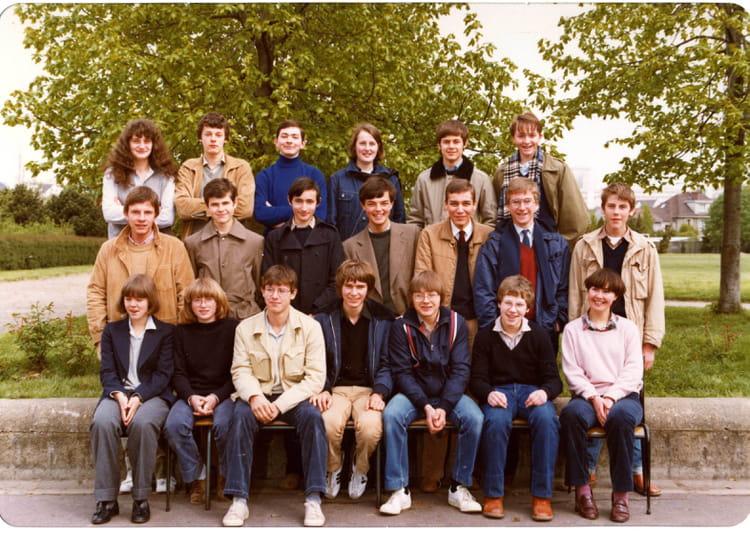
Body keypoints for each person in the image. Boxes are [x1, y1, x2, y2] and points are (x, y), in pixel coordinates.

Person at [569, 182, 665, 497]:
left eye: (623, 207)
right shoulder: (585, 246)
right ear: (603, 208)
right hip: (592, 333)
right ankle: (589, 468)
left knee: (628, 404)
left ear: (631, 211)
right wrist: (574, 332)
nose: (616, 212)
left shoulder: (644, 248)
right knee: (591, 398)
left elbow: (655, 298)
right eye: (611, 206)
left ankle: (636, 472)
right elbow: (575, 293)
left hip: (628, 336)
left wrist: (649, 343)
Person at [221, 265, 328, 528]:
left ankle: (313, 499)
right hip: (258, 394)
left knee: (314, 419)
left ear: (293, 293)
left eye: (282, 290)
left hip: (293, 397)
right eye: (270, 290)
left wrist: (279, 406)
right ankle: (238, 500)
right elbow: (240, 370)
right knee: (239, 418)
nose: (275, 296)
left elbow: (315, 377)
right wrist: (254, 397)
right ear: (262, 292)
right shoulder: (245, 328)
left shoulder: (310, 327)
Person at [379, 271, 483, 516]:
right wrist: (426, 406)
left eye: (432, 295)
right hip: (413, 394)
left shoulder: (456, 323)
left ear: (441, 297)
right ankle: (399, 489)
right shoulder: (401, 326)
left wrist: (444, 407)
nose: (425, 300)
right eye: (419, 295)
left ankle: (459, 487)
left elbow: (461, 370)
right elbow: (402, 372)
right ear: (412, 298)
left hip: (448, 394)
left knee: (474, 418)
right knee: (392, 415)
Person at [413, 177, 492, 493]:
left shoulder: (488, 235)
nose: (460, 209)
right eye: (454, 203)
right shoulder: (429, 235)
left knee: (469, 393)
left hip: (477, 324)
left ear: (475, 205)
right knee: (439, 388)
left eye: (466, 203)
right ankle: (432, 471)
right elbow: (421, 278)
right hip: (442, 324)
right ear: (445, 204)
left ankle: (465, 471)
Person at [469, 275, 561, 521]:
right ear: (499, 303)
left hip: (532, 393)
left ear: (527, 308)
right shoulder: (486, 336)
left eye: (519, 304)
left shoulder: (539, 335)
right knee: (496, 422)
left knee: (547, 420)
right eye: (508, 303)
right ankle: (494, 494)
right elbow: (477, 379)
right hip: (500, 393)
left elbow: (554, 380)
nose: (513, 310)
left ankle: (542, 496)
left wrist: (544, 392)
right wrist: (488, 393)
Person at [559, 268, 644, 523]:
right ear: (588, 292)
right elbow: (572, 371)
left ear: (615, 296)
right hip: (587, 397)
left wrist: (610, 398)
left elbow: (633, 371)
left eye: (607, 291)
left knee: (621, 419)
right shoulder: (573, 330)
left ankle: (621, 496)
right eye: (595, 289)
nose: (599, 296)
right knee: (571, 416)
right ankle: (583, 491)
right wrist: (594, 397)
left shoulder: (628, 329)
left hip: (623, 397)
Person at [89, 274, 174, 525]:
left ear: (150, 302)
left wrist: (138, 397)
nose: (133, 304)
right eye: (128, 299)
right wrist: (119, 395)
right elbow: (107, 371)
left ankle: (140, 498)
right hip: (117, 394)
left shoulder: (166, 332)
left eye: (140, 299)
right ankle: (107, 499)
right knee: (102, 422)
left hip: (152, 395)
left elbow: (163, 375)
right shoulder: (112, 330)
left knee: (143, 424)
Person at [311, 260, 397, 500]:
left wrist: (379, 392)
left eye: (360, 287)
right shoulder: (324, 318)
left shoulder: (383, 319)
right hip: (335, 389)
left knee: (370, 428)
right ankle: (333, 467)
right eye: (349, 286)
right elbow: (316, 359)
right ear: (340, 287)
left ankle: (360, 469)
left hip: (368, 389)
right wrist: (323, 388)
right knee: (327, 424)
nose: (354, 292)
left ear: (368, 289)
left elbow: (387, 362)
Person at [87, 185, 195, 351]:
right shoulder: (108, 250)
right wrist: (100, 339)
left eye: (147, 212)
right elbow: (96, 293)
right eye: (135, 212)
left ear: (156, 214)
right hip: (120, 339)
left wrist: (181, 337)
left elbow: (186, 295)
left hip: (166, 340)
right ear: (126, 213)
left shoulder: (174, 247)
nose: (141, 218)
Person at [164, 278, 239, 505]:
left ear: (219, 303)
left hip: (224, 394)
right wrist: (191, 397)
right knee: (174, 425)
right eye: (197, 300)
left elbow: (238, 373)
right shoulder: (181, 332)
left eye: (208, 300)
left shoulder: (233, 329)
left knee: (225, 425)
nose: (203, 305)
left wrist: (215, 397)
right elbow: (178, 373)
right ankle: (198, 476)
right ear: (190, 304)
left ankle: (225, 477)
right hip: (191, 394)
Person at [473, 177, 570, 352]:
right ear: (508, 206)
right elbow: (484, 290)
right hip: (505, 329)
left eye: (527, 201)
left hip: (544, 326)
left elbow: (564, 286)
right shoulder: (494, 244)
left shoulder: (555, 244)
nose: (522, 207)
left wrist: (558, 321)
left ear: (536, 205)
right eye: (516, 202)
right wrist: (493, 327)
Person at [493, 112, 588, 248]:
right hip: (510, 246)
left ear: (540, 136)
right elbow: (495, 213)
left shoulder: (557, 169)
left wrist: (560, 248)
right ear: (513, 138)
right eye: (521, 136)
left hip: (548, 246)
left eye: (532, 135)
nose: (527, 141)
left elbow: (575, 217)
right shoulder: (501, 173)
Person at [184, 178, 264, 320]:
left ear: (235, 203)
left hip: (245, 316)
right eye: (215, 204)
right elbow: (191, 284)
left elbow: (258, 282)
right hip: (209, 319)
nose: (221, 209)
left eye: (225, 203)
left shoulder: (255, 241)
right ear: (207, 207)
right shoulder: (193, 243)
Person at [263, 177, 343, 315]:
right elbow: (269, 279)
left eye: (309, 201)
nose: (304, 208)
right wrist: (287, 312)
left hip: (322, 314)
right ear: (289, 201)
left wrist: (316, 311)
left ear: (318, 202)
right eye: (298, 201)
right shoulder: (275, 237)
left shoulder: (330, 235)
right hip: (285, 313)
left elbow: (337, 280)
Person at [343, 177, 420, 315]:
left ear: (392, 204)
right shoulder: (350, 247)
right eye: (372, 204)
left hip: (408, 315)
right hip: (372, 319)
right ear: (363, 206)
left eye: (384, 203)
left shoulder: (412, 234)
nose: (378, 209)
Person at [174, 112, 255, 237]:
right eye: (208, 134)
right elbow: (182, 208)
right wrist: (224, 206)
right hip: (195, 239)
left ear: (225, 139)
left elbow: (245, 209)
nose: (213, 139)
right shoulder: (188, 168)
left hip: (231, 239)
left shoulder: (241, 167)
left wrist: (202, 208)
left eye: (218, 135)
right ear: (200, 138)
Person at [407, 119, 496, 228]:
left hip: (470, 239)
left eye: (456, 141)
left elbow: (491, 220)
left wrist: (479, 238)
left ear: (465, 144)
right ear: (439, 144)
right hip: (433, 238)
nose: (451, 146)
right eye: (446, 142)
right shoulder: (424, 179)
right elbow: (415, 220)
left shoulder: (481, 180)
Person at [327, 123, 406, 240]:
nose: (367, 148)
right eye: (362, 143)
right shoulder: (337, 180)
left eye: (372, 144)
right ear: (354, 146)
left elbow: (400, 220)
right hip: (346, 248)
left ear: (378, 147)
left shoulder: (391, 180)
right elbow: (330, 223)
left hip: (383, 247)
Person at [101, 119, 177, 238]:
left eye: (147, 141)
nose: (142, 146)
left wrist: (125, 210)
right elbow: (109, 213)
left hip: (156, 244)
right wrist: (153, 212)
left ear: (154, 144)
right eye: (136, 141)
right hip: (121, 243)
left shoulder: (166, 175)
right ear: (127, 144)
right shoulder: (112, 174)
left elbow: (167, 218)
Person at [254, 120, 327, 233]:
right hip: (274, 240)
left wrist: (275, 212)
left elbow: (320, 214)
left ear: (303, 143)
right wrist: (304, 211)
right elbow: (261, 213)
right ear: (276, 141)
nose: (289, 141)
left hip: (308, 239)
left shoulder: (314, 174)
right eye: (284, 136)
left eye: (294, 137)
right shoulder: (265, 176)